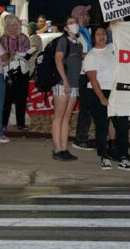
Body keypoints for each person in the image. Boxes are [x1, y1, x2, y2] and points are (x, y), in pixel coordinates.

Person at [82, 25, 130, 171]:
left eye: (103, 33)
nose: (101, 36)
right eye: (98, 34)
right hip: (98, 92)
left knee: (122, 126)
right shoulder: (91, 56)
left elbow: (118, 27)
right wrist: (102, 98)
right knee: (102, 126)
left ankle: (123, 156)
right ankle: (104, 156)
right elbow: (93, 80)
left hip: (116, 91)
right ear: (93, 38)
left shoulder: (112, 48)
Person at [53, 17, 84, 161]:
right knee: (59, 117)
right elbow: (58, 60)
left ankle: (64, 148)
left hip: (74, 84)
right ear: (65, 28)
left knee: (67, 117)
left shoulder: (78, 44)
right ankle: (57, 149)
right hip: (62, 83)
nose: (74, 25)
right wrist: (64, 80)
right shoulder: (63, 41)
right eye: (71, 23)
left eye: (75, 23)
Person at [0, 14, 32, 131]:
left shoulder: (23, 38)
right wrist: (11, 54)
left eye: (15, 25)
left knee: (21, 98)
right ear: (6, 26)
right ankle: (3, 124)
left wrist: (19, 54)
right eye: (10, 25)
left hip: (22, 71)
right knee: (6, 99)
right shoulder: (2, 39)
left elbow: (28, 54)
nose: (12, 28)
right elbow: (0, 57)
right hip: (7, 72)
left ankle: (21, 124)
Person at [71, 5, 95, 152]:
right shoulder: (77, 32)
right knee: (86, 108)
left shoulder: (85, 32)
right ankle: (80, 139)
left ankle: (83, 137)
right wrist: (93, 56)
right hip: (81, 74)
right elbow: (77, 53)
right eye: (86, 14)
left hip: (86, 73)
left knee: (88, 108)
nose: (89, 17)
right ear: (80, 15)